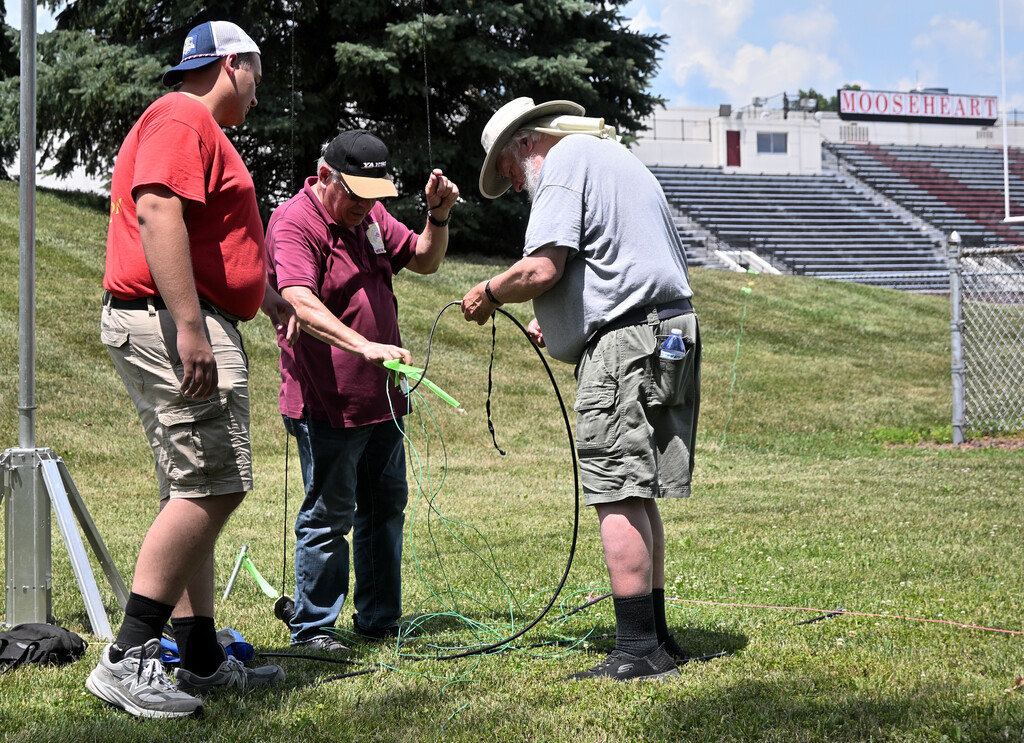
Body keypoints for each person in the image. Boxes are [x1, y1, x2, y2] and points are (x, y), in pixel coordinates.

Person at [88, 21, 298, 718]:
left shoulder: (192, 124)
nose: (259, 94)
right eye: (257, 76)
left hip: (187, 314)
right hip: (172, 319)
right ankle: (128, 657)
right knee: (213, 485)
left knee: (196, 488)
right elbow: (156, 211)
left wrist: (261, 297)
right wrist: (189, 325)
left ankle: (200, 659)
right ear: (232, 64)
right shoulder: (184, 115)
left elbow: (213, 244)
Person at [461, 97, 701, 682]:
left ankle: (638, 650)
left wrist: (489, 292)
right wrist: (566, 320)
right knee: (638, 489)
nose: (515, 186)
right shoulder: (611, 158)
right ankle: (658, 639)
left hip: (627, 344)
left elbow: (540, 268)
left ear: (525, 144)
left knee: (615, 490)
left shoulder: (563, 162)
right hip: (669, 331)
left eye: (509, 171)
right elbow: (618, 260)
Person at [265, 130, 458, 652]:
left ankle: (378, 619)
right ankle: (313, 629)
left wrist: (438, 217)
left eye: (374, 195)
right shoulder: (295, 222)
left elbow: (424, 258)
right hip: (327, 403)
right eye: (356, 194)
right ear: (324, 175)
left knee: (384, 507)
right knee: (329, 516)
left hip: (383, 400)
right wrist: (364, 346)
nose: (365, 206)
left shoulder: (370, 216)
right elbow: (299, 301)